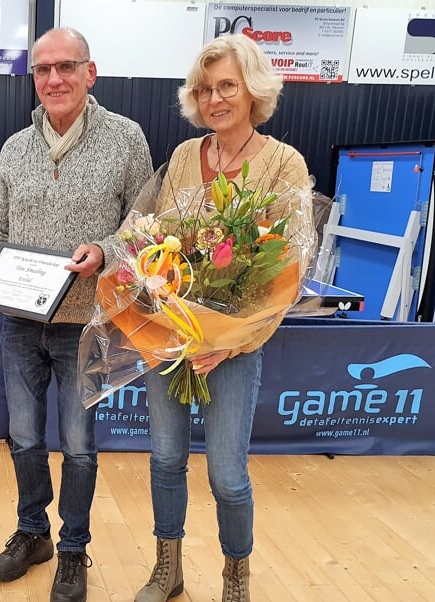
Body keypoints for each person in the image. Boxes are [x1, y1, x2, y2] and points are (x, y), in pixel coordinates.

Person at [0, 27, 153, 602]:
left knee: (78, 444)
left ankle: (73, 548)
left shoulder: (127, 140)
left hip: (89, 323)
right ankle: (33, 534)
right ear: (33, 77)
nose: (53, 79)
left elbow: (143, 228)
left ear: (89, 73)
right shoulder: (12, 148)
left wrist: (105, 251)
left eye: (65, 67)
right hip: (19, 320)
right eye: (42, 69)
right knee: (24, 436)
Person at [130, 35, 312, 602]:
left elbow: (287, 272)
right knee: (165, 458)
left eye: (226, 86)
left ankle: (237, 580)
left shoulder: (284, 163)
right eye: (205, 89)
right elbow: (150, 235)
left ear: (253, 90)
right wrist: (135, 265)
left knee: (227, 476)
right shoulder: (184, 157)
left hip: (233, 349)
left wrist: (228, 344)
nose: (215, 98)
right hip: (170, 337)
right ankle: (169, 570)